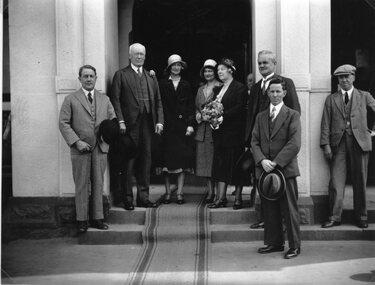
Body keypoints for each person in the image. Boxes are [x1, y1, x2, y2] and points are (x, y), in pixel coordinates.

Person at [245, 50, 301, 229]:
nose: (262, 66)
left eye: (266, 63)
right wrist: (249, 144)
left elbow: (294, 112)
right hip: (261, 148)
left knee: (283, 186)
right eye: (260, 63)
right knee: (262, 183)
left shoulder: (286, 83)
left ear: (274, 64)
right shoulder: (256, 87)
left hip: (281, 149)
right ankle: (265, 219)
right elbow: (251, 117)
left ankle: (285, 223)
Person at [59, 65, 116, 233]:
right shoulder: (71, 99)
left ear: (96, 78)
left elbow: (112, 119)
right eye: (85, 76)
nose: (89, 79)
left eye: (92, 76)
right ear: (80, 79)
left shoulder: (104, 99)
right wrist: (77, 142)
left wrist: (107, 137)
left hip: (100, 148)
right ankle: (82, 220)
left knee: (98, 184)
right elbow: (63, 123)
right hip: (80, 149)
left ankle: (97, 218)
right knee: (82, 185)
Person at [251, 78, 302, 259]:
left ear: (284, 93)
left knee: (289, 209)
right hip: (265, 171)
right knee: (269, 208)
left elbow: (294, 144)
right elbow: (254, 142)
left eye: (278, 91)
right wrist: (262, 160)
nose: (274, 95)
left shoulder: (292, 115)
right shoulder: (260, 116)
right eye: (271, 92)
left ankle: (294, 246)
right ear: (268, 93)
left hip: (285, 170)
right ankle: (274, 243)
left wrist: (276, 162)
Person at [320, 64, 375, 229]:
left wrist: (372, 131)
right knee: (336, 182)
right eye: (340, 77)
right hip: (339, 145)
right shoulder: (331, 99)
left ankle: (362, 216)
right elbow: (325, 124)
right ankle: (334, 216)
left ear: (353, 77)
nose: (344, 80)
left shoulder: (364, 96)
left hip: (360, 143)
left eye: (347, 76)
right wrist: (326, 145)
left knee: (360, 181)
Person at [110, 43, 164, 210]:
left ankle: (143, 198)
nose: (139, 56)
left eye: (142, 54)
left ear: (145, 56)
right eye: (136, 54)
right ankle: (127, 199)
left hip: (147, 123)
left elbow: (158, 102)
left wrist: (160, 121)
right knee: (129, 162)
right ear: (130, 56)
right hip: (129, 125)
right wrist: (120, 121)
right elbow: (115, 100)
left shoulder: (150, 77)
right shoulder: (121, 75)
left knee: (146, 161)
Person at [207, 58, 248, 210]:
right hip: (219, 134)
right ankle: (220, 198)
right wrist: (211, 118)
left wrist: (224, 116)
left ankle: (237, 198)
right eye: (218, 70)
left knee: (236, 166)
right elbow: (212, 107)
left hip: (234, 134)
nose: (219, 72)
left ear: (230, 70)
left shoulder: (240, 88)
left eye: (222, 69)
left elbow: (240, 107)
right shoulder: (218, 89)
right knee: (220, 166)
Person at [159, 54, 196, 205]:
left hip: (182, 127)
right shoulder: (162, 84)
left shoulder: (186, 85)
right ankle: (168, 193)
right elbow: (158, 104)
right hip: (167, 127)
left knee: (181, 162)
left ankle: (180, 193)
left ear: (181, 67)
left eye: (178, 65)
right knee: (167, 164)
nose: (176, 68)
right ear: (169, 68)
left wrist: (190, 124)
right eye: (173, 65)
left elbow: (190, 105)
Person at [195, 59, 222, 203]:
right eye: (205, 71)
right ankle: (210, 193)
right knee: (204, 163)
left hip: (215, 129)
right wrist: (198, 115)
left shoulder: (221, 86)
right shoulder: (200, 89)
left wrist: (212, 116)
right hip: (202, 131)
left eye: (210, 70)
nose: (207, 73)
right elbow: (196, 107)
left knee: (215, 163)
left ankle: (219, 194)